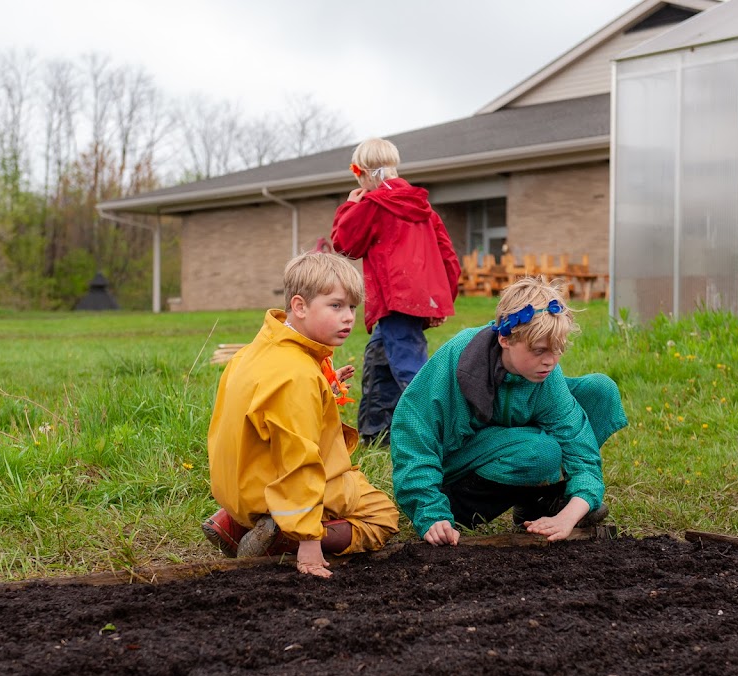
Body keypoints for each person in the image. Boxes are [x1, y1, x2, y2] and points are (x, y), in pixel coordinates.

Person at [200, 251, 400, 577]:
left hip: (240, 486)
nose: (348, 317)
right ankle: (283, 537)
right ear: (300, 306)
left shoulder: (255, 352)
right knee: (381, 515)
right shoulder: (298, 376)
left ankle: (234, 524)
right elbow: (299, 458)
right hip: (277, 489)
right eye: (335, 306)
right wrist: (308, 539)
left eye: (352, 307)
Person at [389, 277, 628, 546]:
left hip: (508, 447)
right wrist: (430, 511)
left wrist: (570, 514)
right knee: (541, 451)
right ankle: (463, 508)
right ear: (505, 338)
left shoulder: (547, 376)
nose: (550, 360)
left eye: (557, 349)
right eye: (539, 350)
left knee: (600, 391)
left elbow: (580, 448)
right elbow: (414, 432)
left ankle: (544, 500)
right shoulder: (458, 357)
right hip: (455, 474)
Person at [331, 137, 462, 447]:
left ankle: (441, 437)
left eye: (354, 171)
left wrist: (351, 204)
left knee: (411, 371)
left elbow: (344, 243)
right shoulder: (422, 206)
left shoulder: (374, 205)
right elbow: (447, 254)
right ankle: (376, 433)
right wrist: (441, 300)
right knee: (379, 362)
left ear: (363, 173)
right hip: (413, 300)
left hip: (393, 300)